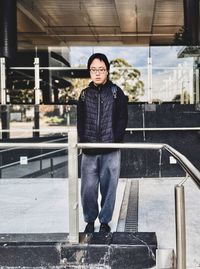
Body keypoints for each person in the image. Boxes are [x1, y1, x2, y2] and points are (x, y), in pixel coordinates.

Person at [77, 53, 128, 233]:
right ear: (89, 71)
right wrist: (83, 141)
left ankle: (105, 222)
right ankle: (90, 221)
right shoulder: (84, 95)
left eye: (101, 69)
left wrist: (116, 140)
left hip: (111, 150)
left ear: (107, 71)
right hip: (89, 150)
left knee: (109, 189)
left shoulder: (116, 92)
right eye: (93, 70)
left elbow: (123, 118)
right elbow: (80, 121)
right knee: (88, 189)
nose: (97, 73)